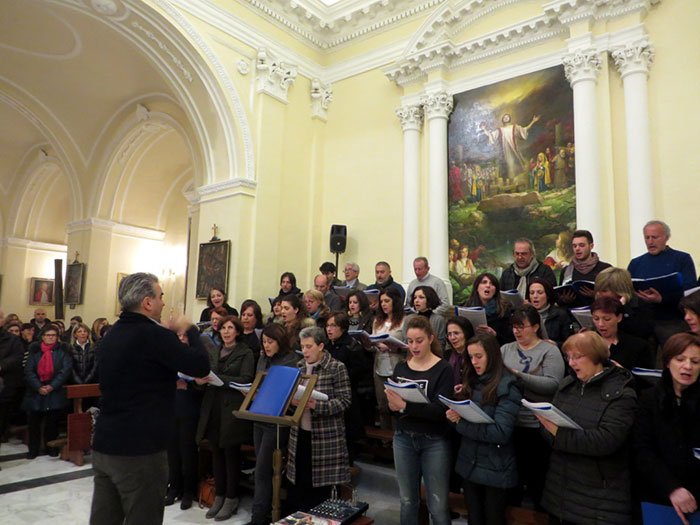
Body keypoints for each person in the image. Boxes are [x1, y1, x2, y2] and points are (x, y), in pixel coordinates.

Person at [90, 272, 210, 525]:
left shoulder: (111, 335)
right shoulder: (154, 336)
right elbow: (200, 366)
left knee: (104, 518)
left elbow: (132, 375)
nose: (163, 303)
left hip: (105, 444)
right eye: (160, 296)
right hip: (140, 449)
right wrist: (190, 329)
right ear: (147, 302)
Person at [540, 332, 637, 524]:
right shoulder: (568, 386)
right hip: (560, 491)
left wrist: (559, 434)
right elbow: (547, 428)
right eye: (568, 357)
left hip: (598, 500)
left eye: (577, 357)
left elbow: (606, 441)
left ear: (595, 357)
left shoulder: (621, 393)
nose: (571, 363)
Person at [446, 333, 521, 525]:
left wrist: (461, 424)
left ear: (492, 355)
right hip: (470, 462)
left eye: (479, 356)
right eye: (471, 357)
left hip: (496, 466)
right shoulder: (472, 380)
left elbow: (501, 433)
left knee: (493, 519)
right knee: (474, 519)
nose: (474, 362)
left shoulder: (507, 385)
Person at [386, 315, 454, 525]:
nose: (413, 346)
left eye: (419, 341)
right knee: (407, 500)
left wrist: (405, 406)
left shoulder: (443, 369)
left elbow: (439, 411)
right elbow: (395, 410)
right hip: (404, 438)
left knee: (438, 505)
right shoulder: (401, 368)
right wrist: (393, 406)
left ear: (431, 339)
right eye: (410, 341)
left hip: (434, 440)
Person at [501, 304, 565, 510]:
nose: (517, 331)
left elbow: (553, 384)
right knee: (511, 481)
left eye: (522, 326)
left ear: (536, 327)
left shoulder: (549, 351)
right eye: (514, 327)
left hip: (537, 425)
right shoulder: (505, 349)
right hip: (509, 421)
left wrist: (519, 375)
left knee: (538, 480)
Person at [633, 333, 700, 523]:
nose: (688, 366)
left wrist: (691, 496)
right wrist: (672, 489)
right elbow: (642, 449)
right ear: (667, 362)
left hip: (696, 499)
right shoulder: (648, 399)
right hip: (657, 495)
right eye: (680, 359)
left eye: (695, 362)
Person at [196, 315, 255, 521]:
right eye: (223, 328)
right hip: (212, 407)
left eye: (230, 328)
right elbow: (205, 374)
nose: (226, 331)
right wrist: (201, 380)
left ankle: (231, 497)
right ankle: (219, 495)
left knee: (231, 455)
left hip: (231, 409)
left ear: (237, 331)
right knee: (216, 453)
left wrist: (222, 380)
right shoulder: (213, 351)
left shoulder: (245, 352)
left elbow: (247, 379)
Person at [287, 326, 351, 511]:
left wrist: (317, 405)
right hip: (300, 434)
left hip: (325, 438)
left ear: (321, 346)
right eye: (303, 346)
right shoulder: (299, 366)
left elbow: (345, 402)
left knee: (322, 493)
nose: (305, 351)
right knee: (300, 484)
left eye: (309, 346)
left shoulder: (336, 367)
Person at [248, 324, 300, 525]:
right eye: (264, 342)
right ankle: (261, 514)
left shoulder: (291, 361)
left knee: (263, 470)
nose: (266, 346)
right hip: (260, 417)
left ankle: (259, 518)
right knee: (260, 468)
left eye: (270, 342)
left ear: (280, 341)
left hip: (277, 422)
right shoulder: (263, 358)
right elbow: (257, 381)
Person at [627, 220, 697, 343]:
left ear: (666, 237)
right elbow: (627, 289)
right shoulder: (636, 263)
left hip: (673, 320)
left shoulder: (682, 259)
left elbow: (690, 290)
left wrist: (662, 299)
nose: (650, 241)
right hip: (643, 320)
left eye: (654, 237)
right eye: (647, 237)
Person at [165, 329, 203, 511]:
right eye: (178, 336)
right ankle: (174, 487)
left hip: (190, 407)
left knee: (187, 451)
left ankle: (189, 490)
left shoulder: (195, 356)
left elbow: (203, 381)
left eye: (185, 336)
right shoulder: (171, 355)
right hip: (171, 406)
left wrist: (191, 384)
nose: (181, 339)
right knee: (172, 451)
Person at [325, 312, 371, 464]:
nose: (329, 329)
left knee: (348, 434)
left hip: (347, 394)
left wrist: (339, 377)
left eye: (333, 326)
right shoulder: (327, 345)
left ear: (343, 328)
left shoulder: (351, 346)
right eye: (327, 325)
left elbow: (359, 370)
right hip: (329, 393)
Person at [23, 324, 72, 458]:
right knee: (34, 424)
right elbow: (29, 371)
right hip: (36, 391)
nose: (51, 338)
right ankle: (33, 450)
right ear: (42, 337)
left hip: (54, 391)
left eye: (53, 335)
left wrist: (51, 386)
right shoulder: (35, 352)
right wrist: (38, 386)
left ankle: (51, 448)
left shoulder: (62, 352)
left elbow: (65, 371)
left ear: (57, 337)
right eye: (48, 335)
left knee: (52, 424)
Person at [372, 286, 408, 429]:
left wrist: (393, 346)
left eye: (387, 301)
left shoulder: (404, 321)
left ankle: (396, 438)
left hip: (397, 366)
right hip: (379, 366)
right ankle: (385, 441)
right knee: (382, 406)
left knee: (397, 407)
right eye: (382, 301)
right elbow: (372, 341)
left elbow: (408, 346)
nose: (384, 304)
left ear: (395, 301)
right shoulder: (377, 321)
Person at [591, 296, 655, 370]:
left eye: (607, 319)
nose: (600, 324)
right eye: (596, 319)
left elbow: (645, 379)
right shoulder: (587, 344)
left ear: (619, 318)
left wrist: (623, 373)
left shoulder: (638, 346)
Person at [595, 267, 655, 340]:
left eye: (604, 291)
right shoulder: (601, 303)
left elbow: (642, 333)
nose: (599, 294)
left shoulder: (640, 305)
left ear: (619, 290)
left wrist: (622, 309)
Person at [557, 230, 611, 307]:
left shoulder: (606, 269)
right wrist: (564, 299)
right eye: (574, 246)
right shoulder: (567, 271)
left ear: (591, 246)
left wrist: (597, 295)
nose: (577, 249)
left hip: (600, 313)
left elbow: (615, 297)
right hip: (572, 314)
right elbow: (559, 299)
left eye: (581, 245)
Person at [481, 113, 540, 182]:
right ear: (502, 119)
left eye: (507, 117)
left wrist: (533, 121)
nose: (506, 118)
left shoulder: (514, 127)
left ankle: (512, 183)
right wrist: (484, 129)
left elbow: (524, 129)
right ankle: (505, 183)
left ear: (509, 119)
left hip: (512, 150)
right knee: (504, 167)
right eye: (504, 117)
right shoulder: (500, 130)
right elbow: (491, 135)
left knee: (512, 167)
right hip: (504, 152)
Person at [463, 273, 515, 345]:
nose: (488, 286)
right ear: (477, 287)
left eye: (492, 284)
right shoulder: (466, 307)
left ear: (495, 290)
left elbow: (510, 339)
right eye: (484, 282)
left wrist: (494, 334)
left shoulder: (504, 310)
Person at [526, 278, 572, 348]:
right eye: (532, 293)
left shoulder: (560, 314)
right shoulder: (525, 314)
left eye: (540, 292)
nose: (535, 296)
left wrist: (555, 344)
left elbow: (570, 342)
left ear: (547, 295)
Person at [0, 323, 25, 447]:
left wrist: (2, 365)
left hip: (5, 381)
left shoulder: (12, 339)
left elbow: (18, 356)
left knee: (4, 412)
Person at [444, 316, 476, 387]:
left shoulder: (475, 357)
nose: (452, 338)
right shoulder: (446, 356)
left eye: (456, 333)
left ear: (466, 333)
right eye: (449, 334)